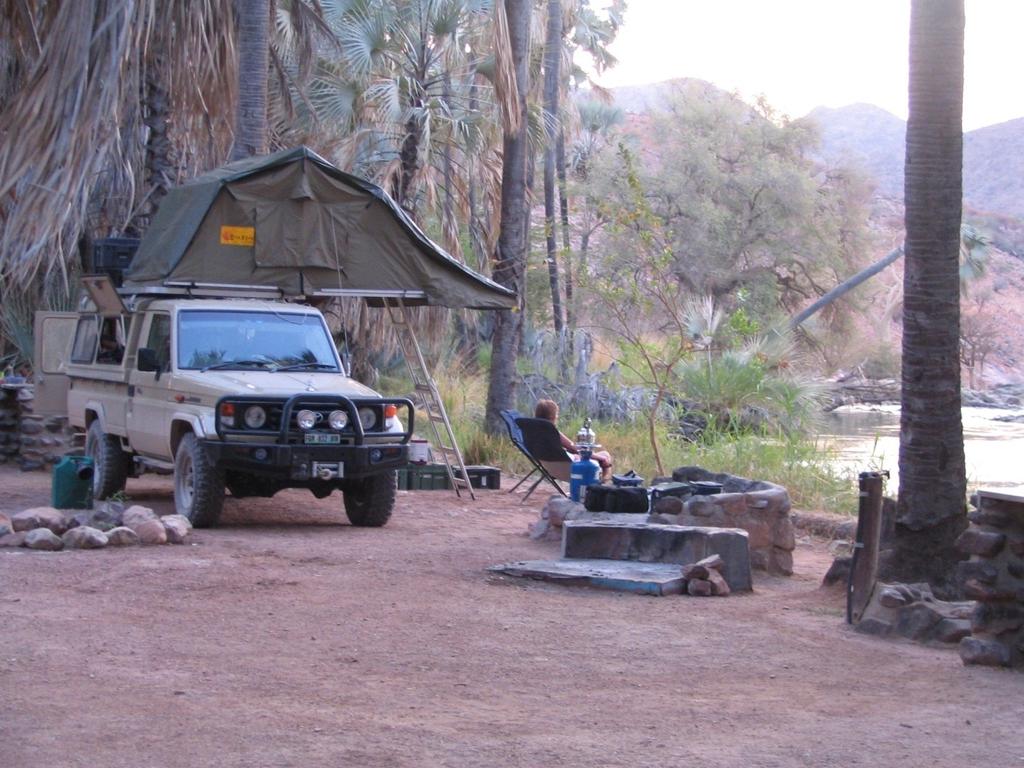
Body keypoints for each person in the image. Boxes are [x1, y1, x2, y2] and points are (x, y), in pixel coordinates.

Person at [534, 399, 613, 482]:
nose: (557, 417)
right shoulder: (551, 431)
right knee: (605, 455)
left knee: (599, 457)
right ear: (552, 416)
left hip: (548, 469)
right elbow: (575, 448)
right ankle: (600, 486)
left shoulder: (532, 431)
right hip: (571, 471)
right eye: (556, 414)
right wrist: (601, 458)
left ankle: (598, 486)